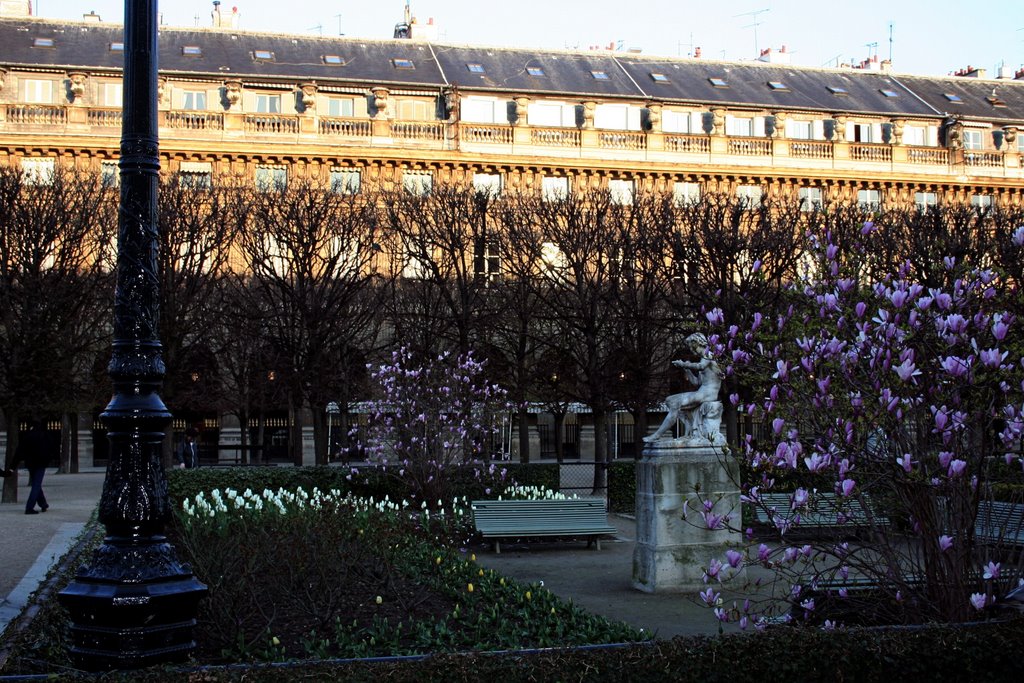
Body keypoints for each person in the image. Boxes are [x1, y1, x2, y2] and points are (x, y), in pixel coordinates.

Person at [643, 333, 724, 443]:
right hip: (702, 392)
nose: (690, 349)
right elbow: (696, 382)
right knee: (669, 400)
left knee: (675, 403)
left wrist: (684, 364)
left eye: (691, 345)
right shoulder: (703, 359)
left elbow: (700, 366)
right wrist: (687, 370)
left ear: (696, 343)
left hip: (708, 394)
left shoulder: (708, 354)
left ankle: (657, 435)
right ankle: (688, 432)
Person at [16, 419, 53, 514]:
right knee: (36, 485)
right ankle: (29, 507)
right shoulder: (44, 435)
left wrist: (14, 464)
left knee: (36, 484)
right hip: (41, 463)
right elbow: (50, 448)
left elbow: (21, 450)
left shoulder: (28, 436)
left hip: (31, 463)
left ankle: (43, 504)